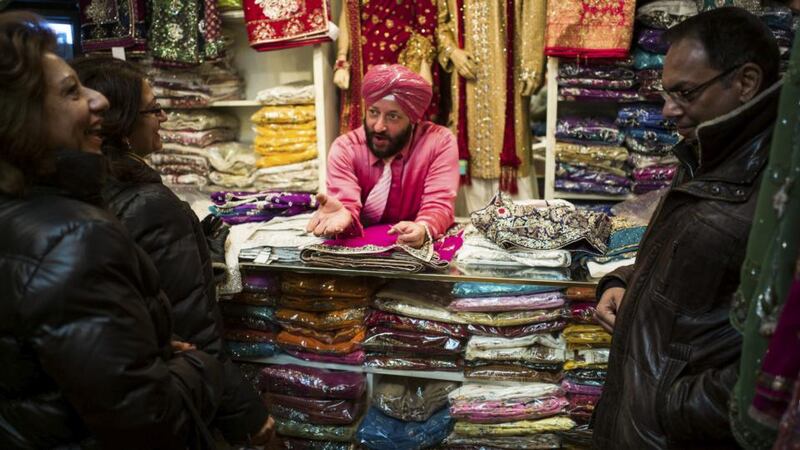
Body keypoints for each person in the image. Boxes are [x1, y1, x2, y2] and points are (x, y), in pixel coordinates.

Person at [0, 12, 225, 449]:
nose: (96, 101)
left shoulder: (25, 213)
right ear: (20, 118)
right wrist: (194, 367)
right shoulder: (75, 238)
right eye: (71, 91)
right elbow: (148, 422)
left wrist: (145, 349)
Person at [590, 7, 782, 449]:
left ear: (745, 82)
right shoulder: (706, 153)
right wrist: (625, 282)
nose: (667, 110)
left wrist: (672, 404)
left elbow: (784, 352)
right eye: (666, 92)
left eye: (685, 93)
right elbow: (692, 267)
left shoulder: (777, 185)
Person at [71, 57, 274, 447]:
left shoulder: (82, 192)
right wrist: (247, 415)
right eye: (153, 108)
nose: (163, 117)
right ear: (123, 124)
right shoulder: (149, 204)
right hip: (170, 401)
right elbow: (193, 328)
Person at [307, 63, 459, 248]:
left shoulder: (438, 143)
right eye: (373, 112)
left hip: (414, 253)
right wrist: (345, 216)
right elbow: (345, 204)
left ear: (413, 120)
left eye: (393, 116)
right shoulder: (345, 148)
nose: (379, 126)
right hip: (361, 255)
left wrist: (423, 228)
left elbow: (439, 203)